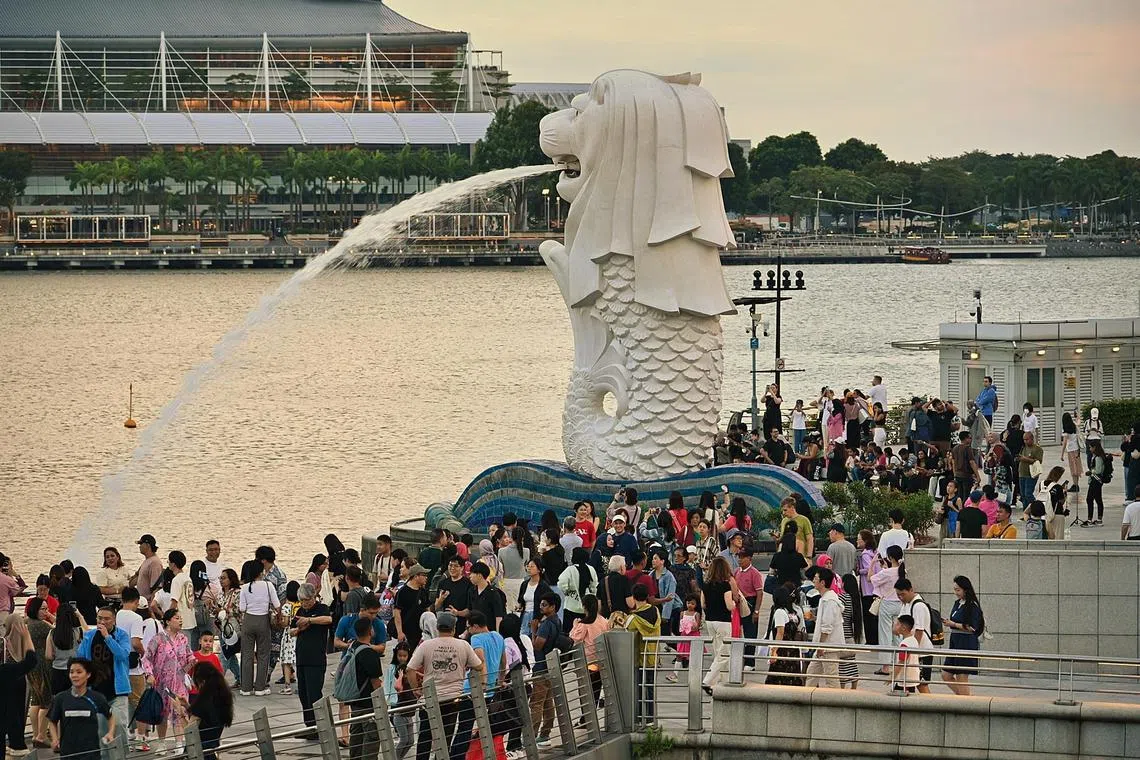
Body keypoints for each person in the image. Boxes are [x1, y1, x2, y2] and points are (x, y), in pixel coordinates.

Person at [408, 610, 484, 760]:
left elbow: (410, 669)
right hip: (453, 698)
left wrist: (416, 689)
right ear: (454, 628)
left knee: (425, 737)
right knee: (446, 736)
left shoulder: (426, 645)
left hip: (429, 699)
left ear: (437, 627)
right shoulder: (463, 645)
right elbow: (479, 666)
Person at [75, 606, 132, 751]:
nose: (102, 621)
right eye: (100, 618)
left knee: (119, 726)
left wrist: (108, 637)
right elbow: (80, 657)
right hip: (96, 691)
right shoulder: (90, 635)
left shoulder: (122, 635)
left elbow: (123, 655)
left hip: (117, 689)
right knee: (101, 729)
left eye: (106, 619)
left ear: (114, 620)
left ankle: (122, 755)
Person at [143, 609, 195, 753]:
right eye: (177, 618)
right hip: (161, 683)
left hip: (178, 683)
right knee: (162, 714)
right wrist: (149, 674)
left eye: (180, 618)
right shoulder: (158, 639)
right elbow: (146, 658)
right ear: (167, 621)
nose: (180, 620)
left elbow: (189, 656)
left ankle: (179, 744)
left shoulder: (183, 638)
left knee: (180, 712)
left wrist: (189, 665)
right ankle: (161, 743)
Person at [287, 583, 333, 736]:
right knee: (303, 694)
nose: (304, 604)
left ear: (313, 597)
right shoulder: (300, 611)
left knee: (314, 693)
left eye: (307, 600)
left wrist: (310, 621)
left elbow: (328, 619)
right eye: (302, 601)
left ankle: (320, 725)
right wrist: (300, 628)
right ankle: (309, 727)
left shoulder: (321, 609)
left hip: (316, 658)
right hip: (301, 657)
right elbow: (291, 631)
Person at [48, 658, 115, 760]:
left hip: (91, 754)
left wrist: (110, 733)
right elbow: (52, 721)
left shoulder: (97, 698)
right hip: (67, 754)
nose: (74, 675)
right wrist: (54, 739)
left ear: (88, 674)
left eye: (79, 672)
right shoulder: (60, 698)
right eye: (71, 672)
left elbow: (110, 717)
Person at [339, 617, 383, 760]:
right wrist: (382, 703)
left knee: (356, 740)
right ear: (370, 631)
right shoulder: (369, 653)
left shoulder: (352, 647)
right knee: (371, 740)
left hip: (355, 703)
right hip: (368, 704)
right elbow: (375, 682)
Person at [238, 558, 281, 696]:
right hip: (263, 621)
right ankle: (260, 688)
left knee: (247, 655)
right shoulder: (268, 586)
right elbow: (277, 605)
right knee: (263, 655)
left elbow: (242, 608)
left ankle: (246, 688)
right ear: (261, 571)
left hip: (248, 621)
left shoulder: (244, 587)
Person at [700, 557, 740, 694]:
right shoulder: (725, 586)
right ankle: (708, 680)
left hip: (710, 621)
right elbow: (729, 606)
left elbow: (702, 604)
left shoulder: (705, 585)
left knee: (718, 651)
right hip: (723, 621)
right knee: (724, 654)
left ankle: (723, 682)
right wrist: (735, 604)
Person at [623, 585, 662, 722]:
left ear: (633, 598)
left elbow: (625, 632)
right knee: (650, 688)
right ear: (646, 596)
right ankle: (651, 717)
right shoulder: (656, 611)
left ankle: (639, 717)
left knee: (639, 688)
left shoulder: (633, 618)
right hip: (653, 657)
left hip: (639, 659)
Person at [113, 588, 147, 745]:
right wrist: (144, 653)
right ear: (136, 601)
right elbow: (135, 642)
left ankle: (128, 732)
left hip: (118, 664)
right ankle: (142, 737)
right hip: (134, 666)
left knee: (122, 701)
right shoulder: (136, 618)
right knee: (140, 701)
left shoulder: (117, 614)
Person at [529, 594, 563, 749]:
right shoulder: (557, 621)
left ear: (552, 606)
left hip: (541, 667)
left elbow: (537, 646)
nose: (541, 607)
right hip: (551, 666)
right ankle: (545, 734)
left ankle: (531, 735)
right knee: (548, 703)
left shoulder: (546, 624)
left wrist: (533, 630)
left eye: (544, 605)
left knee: (536, 703)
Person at [941, 576, 984, 695]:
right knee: (946, 674)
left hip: (966, 642)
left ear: (966, 589)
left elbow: (972, 627)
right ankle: (964, 697)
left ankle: (965, 700)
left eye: (958, 590)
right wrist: (950, 623)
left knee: (962, 676)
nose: (956, 592)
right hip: (955, 640)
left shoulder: (972, 605)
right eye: (954, 589)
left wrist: (954, 624)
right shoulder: (958, 603)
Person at [803, 567, 844, 689]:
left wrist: (821, 646)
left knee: (831, 678)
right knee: (811, 673)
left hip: (828, 646)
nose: (813, 581)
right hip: (823, 646)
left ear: (823, 582)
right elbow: (827, 621)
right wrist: (815, 618)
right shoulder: (825, 599)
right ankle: (807, 697)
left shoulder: (829, 600)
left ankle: (836, 704)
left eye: (816, 578)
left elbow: (827, 627)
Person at [183, 661, 233, 760]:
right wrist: (187, 706)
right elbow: (206, 718)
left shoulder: (202, 702)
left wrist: (180, 713)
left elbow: (190, 733)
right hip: (211, 750)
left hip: (197, 751)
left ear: (202, 682)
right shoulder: (223, 698)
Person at [24, 599, 55, 749]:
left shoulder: (29, 623)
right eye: (43, 609)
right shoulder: (41, 625)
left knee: (35, 701)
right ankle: (42, 735)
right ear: (35, 609)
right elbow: (58, 630)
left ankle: (36, 734)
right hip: (43, 665)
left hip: (32, 665)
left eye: (47, 609)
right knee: (47, 701)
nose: (45, 612)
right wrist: (51, 617)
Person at [869, 545, 904, 674]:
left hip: (887, 604)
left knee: (885, 635)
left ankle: (885, 667)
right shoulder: (903, 571)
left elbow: (870, 578)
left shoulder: (887, 572)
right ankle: (898, 664)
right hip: (900, 605)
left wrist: (873, 564)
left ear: (890, 557)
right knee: (898, 636)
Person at [895, 579, 933, 694]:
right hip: (913, 652)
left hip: (921, 652)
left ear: (911, 590)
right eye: (898, 595)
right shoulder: (906, 604)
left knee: (921, 685)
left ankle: (931, 708)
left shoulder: (918, 606)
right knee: (911, 683)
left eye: (903, 594)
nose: (901, 597)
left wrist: (912, 652)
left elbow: (919, 631)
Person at [569, 595, 609, 703]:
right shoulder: (604, 621)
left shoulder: (584, 623)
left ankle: (585, 718)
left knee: (585, 693)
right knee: (596, 690)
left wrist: (574, 625)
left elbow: (574, 639)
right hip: (601, 660)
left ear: (584, 607)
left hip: (588, 662)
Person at [763, 587, 805, 686]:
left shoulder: (779, 612)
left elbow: (780, 632)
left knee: (778, 678)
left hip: (783, 651)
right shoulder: (792, 613)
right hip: (793, 650)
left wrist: (774, 651)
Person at [383, 643, 415, 759]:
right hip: (396, 705)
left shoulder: (410, 669)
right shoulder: (393, 669)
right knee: (404, 739)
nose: (401, 658)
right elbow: (389, 685)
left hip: (409, 708)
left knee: (410, 740)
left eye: (404, 656)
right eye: (399, 655)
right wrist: (388, 699)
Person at [734, 550, 763, 670]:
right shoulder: (736, 571)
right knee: (737, 633)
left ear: (749, 558)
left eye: (742, 557)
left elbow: (759, 593)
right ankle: (739, 659)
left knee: (750, 633)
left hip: (750, 603)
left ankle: (750, 662)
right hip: (738, 604)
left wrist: (756, 611)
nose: (740, 560)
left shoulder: (754, 573)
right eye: (738, 557)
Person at [557, 547, 598, 634]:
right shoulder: (591, 569)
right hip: (586, 607)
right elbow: (594, 586)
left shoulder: (570, 570)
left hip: (571, 607)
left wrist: (568, 591)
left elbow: (561, 582)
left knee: (570, 633)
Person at [47, 603, 83, 697]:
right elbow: (89, 634)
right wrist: (80, 616)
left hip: (57, 671)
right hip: (74, 670)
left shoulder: (52, 633)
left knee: (59, 703)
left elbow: (49, 655)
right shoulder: (78, 632)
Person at [393, 564, 430, 649]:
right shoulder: (402, 592)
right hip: (407, 632)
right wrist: (400, 632)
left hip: (421, 633)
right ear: (416, 576)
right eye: (424, 575)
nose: (426, 578)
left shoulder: (423, 592)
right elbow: (397, 613)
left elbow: (427, 610)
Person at [515, 557, 551, 634]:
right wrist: (519, 607)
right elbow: (521, 601)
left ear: (539, 570)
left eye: (532, 566)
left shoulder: (543, 586)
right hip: (525, 615)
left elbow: (550, 602)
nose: (529, 568)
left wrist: (542, 619)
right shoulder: (524, 584)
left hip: (537, 617)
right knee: (523, 637)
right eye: (528, 566)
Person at [855, 530, 878, 646]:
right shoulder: (875, 552)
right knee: (875, 616)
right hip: (876, 589)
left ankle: (871, 641)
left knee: (868, 616)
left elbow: (870, 569)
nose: (857, 541)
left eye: (859, 538)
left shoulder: (865, 554)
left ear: (865, 541)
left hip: (867, 589)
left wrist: (860, 571)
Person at [468, 562, 505, 633]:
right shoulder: (471, 591)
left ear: (479, 575)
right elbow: (470, 611)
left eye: (472, 573)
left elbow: (498, 616)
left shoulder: (493, 593)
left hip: (489, 631)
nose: (470, 576)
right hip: (474, 632)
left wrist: (497, 634)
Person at [890, 615, 920, 693]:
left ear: (903, 628)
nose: (894, 626)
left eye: (897, 624)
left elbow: (901, 662)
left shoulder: (904, 644)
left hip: (904, 679)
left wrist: (892, 677)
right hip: (912, 677)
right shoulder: (914, 640)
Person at [1016, 432, 1044, 509]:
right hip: (1022, 473)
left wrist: (1025, 459)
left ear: (1032, 439)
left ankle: (1037, 508)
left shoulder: (1038, 449)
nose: (1025, 441)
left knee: (1028, 494)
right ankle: (1026, 511)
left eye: (1027, 439)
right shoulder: (1023, 447)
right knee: (1023, 495)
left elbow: (1038, 461)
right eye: (1024, 440)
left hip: (1031, 474)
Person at [1084, 439, 1107, 526]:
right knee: (1098, 499)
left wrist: (1090, 472)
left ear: (1094, 448)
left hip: (1096, 480)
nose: (1089, 449)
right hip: (1096, 481)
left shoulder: (1098, 458)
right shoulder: (1097, 456)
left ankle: (1090, 520)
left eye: (1090, 447)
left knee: (1089, 499)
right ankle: (1099, 519)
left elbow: (1098, 470)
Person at [135, 535, 164, 604]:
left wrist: (151, 607)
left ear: (148, 545)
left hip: (148, 603)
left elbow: (156, 587)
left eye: (141, 544)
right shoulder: (147, 560)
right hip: (142, 602)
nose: (139, 546)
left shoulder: (154, 562)